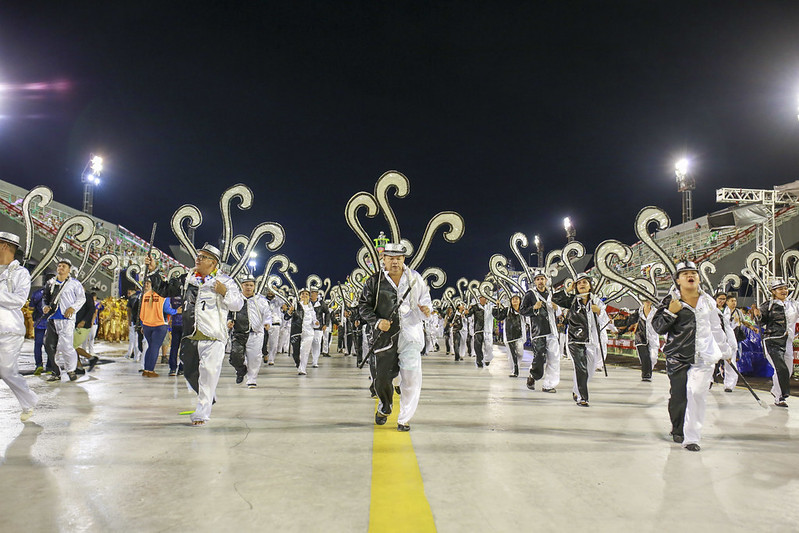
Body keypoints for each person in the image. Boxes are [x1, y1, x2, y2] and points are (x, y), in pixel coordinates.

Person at [146, 243, 243, 426]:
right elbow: (165, 289)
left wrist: (225, 293)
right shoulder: (188, 278)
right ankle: (208, 394)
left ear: (213, 263)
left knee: (208, 373)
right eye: (198, 256)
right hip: (190, 336)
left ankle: (202, 412)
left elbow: (237, 305)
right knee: (191, 373)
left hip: (214, 337)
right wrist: (153, 272)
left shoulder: (226, 281)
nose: (198, 259)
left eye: (203, 257)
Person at [652, 261, 734, 451]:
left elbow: (716, 328)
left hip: (704, 357)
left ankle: (692, 437)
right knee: (679, 396)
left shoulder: (709, 302)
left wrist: (726, 351)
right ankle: (678, 428)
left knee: (696, 394)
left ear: (698, 278)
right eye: (685, 273)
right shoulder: (669, 301)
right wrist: (670, 313)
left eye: (693, 273)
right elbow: (658, 328)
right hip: (677, 356)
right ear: (678, 280)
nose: (690, 276)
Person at [358, 242, 432, 432]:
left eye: (398, 258)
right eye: (390, 258)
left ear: (403, 259)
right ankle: (385, 405)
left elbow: (425, 299)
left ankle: (404, 418)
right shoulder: (374, 281)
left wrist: (426, 309)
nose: (395, 262)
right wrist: (376, 321)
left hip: (411, 335)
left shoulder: (415, 278)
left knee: (411, 377)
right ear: (383, 259)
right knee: (382, 378)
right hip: (384, 337)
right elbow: (363, 307)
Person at [0, 232, 38, 420]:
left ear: (4, 246)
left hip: (9, 331)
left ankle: (29, 401)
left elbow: (18, 301)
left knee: (6, 371)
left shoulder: (21, 273)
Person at [552, 274, 604, 407]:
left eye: (585, 282)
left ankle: (576, 390)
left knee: (589, 371)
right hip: (575, 340)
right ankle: (583, 398)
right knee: (581, 368)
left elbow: (605, 320)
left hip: (591, 341)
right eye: (579, 283)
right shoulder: (572, 300)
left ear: (590, 285)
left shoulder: (597, 301)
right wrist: (568, 289)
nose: (582, 285)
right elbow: (555, 298)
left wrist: (599, 312)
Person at [754, 279, 799, 407]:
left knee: (787, 370)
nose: (784, 291)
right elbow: (760, 322)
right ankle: (780, 397)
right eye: (780, 289)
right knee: (781, 368)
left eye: (785, 288)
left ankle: (776, 391)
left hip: (788, 341)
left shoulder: (793, 304)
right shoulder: (768, 305)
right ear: (773, 291)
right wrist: (757, 315)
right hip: (772, 341)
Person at [43, 259, 86, 382]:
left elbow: (81, 299)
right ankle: (56, 372)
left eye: (63, 266)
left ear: (69, 269)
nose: (60, 268)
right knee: (50, 346)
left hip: (66, 319)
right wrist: (45, 306)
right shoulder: (50, 283)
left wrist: (73, 308)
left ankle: (70, 369)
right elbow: (45, 298)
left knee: (66, 346)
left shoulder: (74, 284)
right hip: (52, 318)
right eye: (59, 266)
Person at [520, 271, 560, 392]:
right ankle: (533, 374)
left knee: (554, 359)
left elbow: (559, 312)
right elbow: (522, 311)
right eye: (537, 279)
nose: (540, 281)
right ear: (535, 281)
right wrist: (534, 308)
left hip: (552, 331)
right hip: (538, 331)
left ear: (546, 280)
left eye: (542, 278)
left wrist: (556, 307)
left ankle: (549, 385)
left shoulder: (552, 294)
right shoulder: (530, 294)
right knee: (539, 358)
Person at [227, 275, 271, 388]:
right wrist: (229, 321)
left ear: (254, 286)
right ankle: (241, 370)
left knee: (255, 357)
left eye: (251, 285)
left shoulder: (261, 300)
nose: (248, 287)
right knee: (235, 356)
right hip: (239, 332)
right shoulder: (236, 299)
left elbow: (267, 313)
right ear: (242, 286)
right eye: (246, 285)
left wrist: (267, 322)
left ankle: (252, 379)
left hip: (256, 333)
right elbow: (229, 312)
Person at [139, 279, 178, 377]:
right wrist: (176, 311)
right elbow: (166, 309)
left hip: (147, 325)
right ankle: (150, 370)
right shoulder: (163, 296)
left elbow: (141, 312)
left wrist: (142, 324)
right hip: (159, 324)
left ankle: (146, 369)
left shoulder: (145, 295)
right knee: (155, 347)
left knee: (150, 346)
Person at [493, 294, 526, 377]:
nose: (515, 300)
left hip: (520, 336)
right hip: (509, 336)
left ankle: (516, 367)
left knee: (520, 353)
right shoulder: (507, 310)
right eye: (513, 299)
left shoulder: (523, 310)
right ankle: (514, 371)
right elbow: (499, 317)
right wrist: (497, 307)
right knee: (512, 355)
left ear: (520, 301)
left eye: (517, 299)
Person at [628, 299, 659, 382]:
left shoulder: (657, 311)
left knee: (653, 357)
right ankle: (646, 375)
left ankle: (648, 370)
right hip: (640, 337)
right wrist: (614, 322)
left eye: (649, 299)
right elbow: (629, 321)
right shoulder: (638, 312)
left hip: (653, 337)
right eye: (645, 300)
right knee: (644, 357)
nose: (647, 301)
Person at [27, 276, 51, 375]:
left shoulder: (37, 293)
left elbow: (31, 307)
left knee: (38, 345)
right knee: (51, 346)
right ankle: (50, 367)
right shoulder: (55, 294)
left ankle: (39, 365)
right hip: (52, 323)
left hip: (39, 322)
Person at [288, 288, 315, 375]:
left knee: (305, 351)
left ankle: (303, 369)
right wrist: (289, 312)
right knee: (296, 353)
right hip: (296, 332)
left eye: (306, 294)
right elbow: (286, 317)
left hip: (308, 333)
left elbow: (315, 321)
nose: (304, 296)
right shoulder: (295, 306)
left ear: (309, 297)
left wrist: (317, 323)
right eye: (302, 294)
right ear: (299, 296)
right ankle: (298, 364)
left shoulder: (312, 308)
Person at [723, 292, 745, 392]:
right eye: (732, 301)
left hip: (731, 339)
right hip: (719, 339)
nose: (734, 303)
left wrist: (752, 327)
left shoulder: (737, 312)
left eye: (735, 301)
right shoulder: (720, 311)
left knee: (730, 362)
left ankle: (729, 384)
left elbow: (741, 323)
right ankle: (709, 380)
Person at [466, 296, 494, 368]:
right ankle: (479, 360)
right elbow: (468, 314)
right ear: (479, 299)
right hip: (478, 329)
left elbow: (498, 315)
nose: (484, 299)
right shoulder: (475, 307)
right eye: (482, 297)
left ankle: (487, 359)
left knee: (489, 346)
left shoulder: (491, 307)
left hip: (488, 330)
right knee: (477, 347)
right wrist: (467, 312)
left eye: (485, 297)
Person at [309, 289, 330, 368]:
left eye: (314, 293)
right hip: (308, 327)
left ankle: (315, 361)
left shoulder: (321, 303)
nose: (312, 294)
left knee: (316, 344)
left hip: (318, 327)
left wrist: (325, 324)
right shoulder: (307, 302)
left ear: (317, 294)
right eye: (311, 293)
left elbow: (327, 312)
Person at [264, 290, 283, 365]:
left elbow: (282, 302)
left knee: (273, 343)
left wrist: (277, 292)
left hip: (275, 323)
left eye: (272, 291)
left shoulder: (277, 301)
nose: (270, 292)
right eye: (269, 290)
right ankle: (265, 353)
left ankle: (271, 359)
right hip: (264, 324)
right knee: (263, 342)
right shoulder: (263, 300)